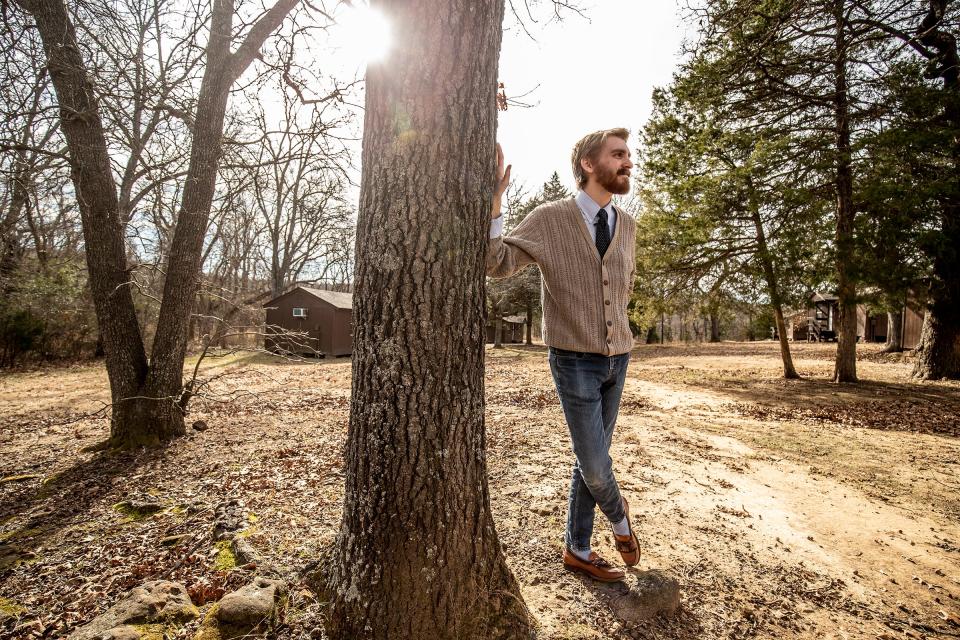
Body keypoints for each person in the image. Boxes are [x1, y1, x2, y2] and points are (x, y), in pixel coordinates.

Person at [487, 128, 639, 582]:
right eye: (618, 155)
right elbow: (494, 263)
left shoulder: (628, 225)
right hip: (574, 360)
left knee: (590, 458)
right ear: (589, 165)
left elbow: (621, 288)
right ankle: (620, 516)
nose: (628, 162)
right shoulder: (551, 218)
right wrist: (495, 204)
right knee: (595, 463)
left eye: (628, 154)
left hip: (620, 357)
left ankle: (577, 548)